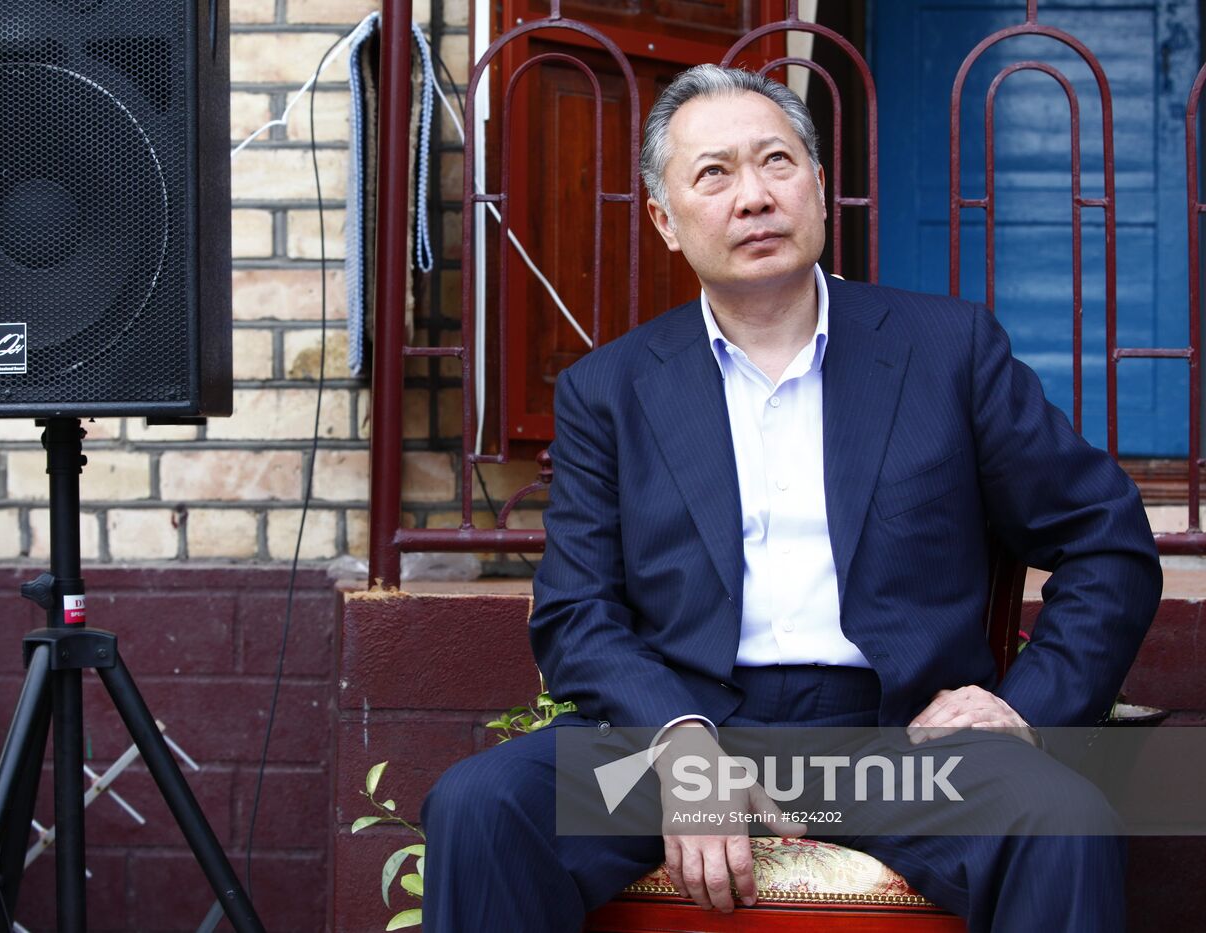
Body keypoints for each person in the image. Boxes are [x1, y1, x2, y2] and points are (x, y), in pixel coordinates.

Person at [421, 64, 1161, 932]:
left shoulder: (944, 352)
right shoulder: (611, 390)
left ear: (818, 186)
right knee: (483, 804)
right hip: (679, 735)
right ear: (664, 220)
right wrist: (678, 742)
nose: (753, 196)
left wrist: (1025, 709)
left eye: (777, 162)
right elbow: (578, 609)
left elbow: (1106, 541)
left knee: (1061, 817)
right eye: (713, 174)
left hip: (900, 747)